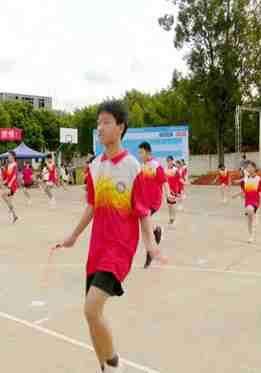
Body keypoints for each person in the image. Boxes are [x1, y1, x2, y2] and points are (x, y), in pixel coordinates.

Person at [52, 100, 165, 373]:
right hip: (97, 248)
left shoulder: (132, 167)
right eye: (98, 122)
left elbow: (142, 210)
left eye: (106, 122)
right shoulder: (93, 168)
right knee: (93, 318)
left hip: (120, 248)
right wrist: (73, 236)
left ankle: (115, 366)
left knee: (91, 309)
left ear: (120, 127)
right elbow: (91, 205)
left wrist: (150, 245)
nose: (99, 127)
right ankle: (104, 367)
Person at [137, 141, 166, 269]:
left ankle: (150, 254)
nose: (139, 155)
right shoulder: (141, 166)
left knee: (145, 228)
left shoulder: (156, 165)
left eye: (141, 152)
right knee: (145, 228)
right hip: (143, 202)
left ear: (148, 152)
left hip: (153, 202)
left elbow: (164, 181)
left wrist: (169, 194)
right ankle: (156, 231)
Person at [232, 161, 261, 243]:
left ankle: (255, 215)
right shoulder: (246, 179)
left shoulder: (258, 179)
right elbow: (245, 191)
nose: (247, 168)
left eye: (249, 167)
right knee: (249, 219)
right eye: (247, 167)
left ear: (254, 168)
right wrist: (236, 195)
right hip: (247, 200)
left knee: (249, 210)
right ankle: (251, 235)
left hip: (255, 200)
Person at [1, 151, 19, 223]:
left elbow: (14, 176)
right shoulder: (9, 165)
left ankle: (12, 212)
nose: (8, 157)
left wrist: (9, 184)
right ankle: (14, 215)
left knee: (4, 195)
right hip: (9, 184)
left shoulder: (15, 165)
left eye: (9, 155)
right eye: (8, 156)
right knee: (9, 200)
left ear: (13, 156)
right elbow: (7, 176)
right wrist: (4, 181)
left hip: (13, 185)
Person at [164, 156, 181, 225]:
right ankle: (170, 217)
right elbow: (164, 180)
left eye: (170, 161)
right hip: (168, 190)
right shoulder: (165, 170)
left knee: (173, 205)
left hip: (174, 190)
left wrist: (178, 191)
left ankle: (173, 218)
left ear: (172, 161)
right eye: (167, 161)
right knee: (169, 205)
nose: (169, 162)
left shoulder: (175, 170)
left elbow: (178, 179)